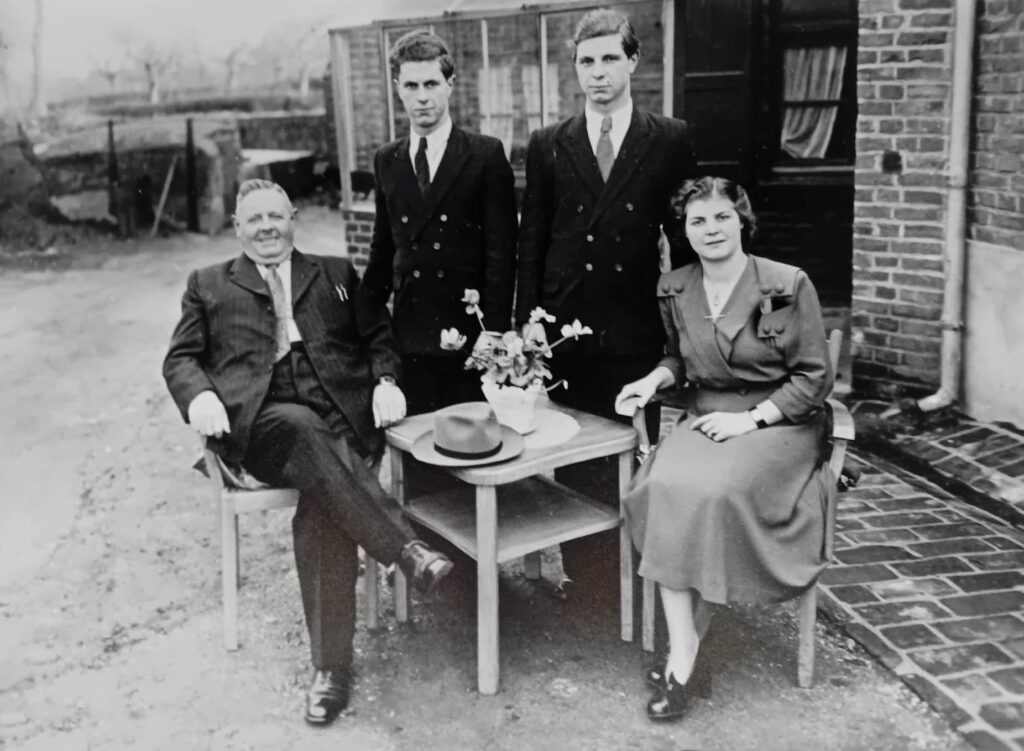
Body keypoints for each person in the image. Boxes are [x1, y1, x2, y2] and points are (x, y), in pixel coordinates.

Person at [163, 179, 453, 727]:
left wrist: (387, 378)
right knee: (299, 427)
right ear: (237, 228)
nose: (268, 227)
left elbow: (378, 337)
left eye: (277, 216)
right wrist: (199, 394)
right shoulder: (207, 285)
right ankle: (407, 549)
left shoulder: (336, 273)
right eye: (255, 220)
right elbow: (180, 358)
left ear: (294, 218)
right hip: (261, 423)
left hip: (340, 417)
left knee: (323, 497)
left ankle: (331, 670)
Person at [616, 176, 835, 721]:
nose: (710, 229)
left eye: (720, 217)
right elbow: (677, 359)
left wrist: (752, 420)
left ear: (742, 220)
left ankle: (684, 654)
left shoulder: (787, 282)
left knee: (713, 491)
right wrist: (651, 382)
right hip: (708, 414)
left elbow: (813, 377)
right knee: (664, 484)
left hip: (779, 424)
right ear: (684, 230)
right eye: (697, 220)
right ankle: (687, 642)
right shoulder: (675, 286)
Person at [514, 7, 697, 596]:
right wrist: (528, 322)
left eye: (609, 59)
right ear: (575, 68)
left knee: (630, 450)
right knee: (574, 451)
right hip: (565, 329)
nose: (598, 73)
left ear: (633, 62)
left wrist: (685, 324)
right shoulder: (548, 144)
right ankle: (589, 581)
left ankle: (630, 579)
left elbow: (685, 235)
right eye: (587, 62)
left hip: (633, 327)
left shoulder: (668, 139)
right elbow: (532, 239)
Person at [362, 29, 518, 415]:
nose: (422, 96)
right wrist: (362, 319)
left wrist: (493, 331)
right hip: (411, 335)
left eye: (431, 83)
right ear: (398, 88)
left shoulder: (484, 155)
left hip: (470, 338)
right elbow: (383, 251)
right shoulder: (387, 159)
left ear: (450, 85)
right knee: (418, 451)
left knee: (471, 446)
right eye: (411, 85)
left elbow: (502, 252)